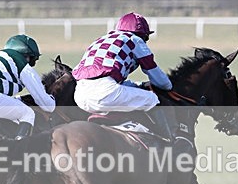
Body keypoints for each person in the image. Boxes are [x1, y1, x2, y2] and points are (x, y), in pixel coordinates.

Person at [71, 12, 177, 141]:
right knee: (151, 99)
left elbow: (105, 79)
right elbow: (163, 84)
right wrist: (166, 85)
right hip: (106, 93)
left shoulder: (102, 39)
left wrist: (138, 85)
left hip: (80, 96)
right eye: (146, 38)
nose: (145, 42)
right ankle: (168, 141)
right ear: (142, 35)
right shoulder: (135, 40)